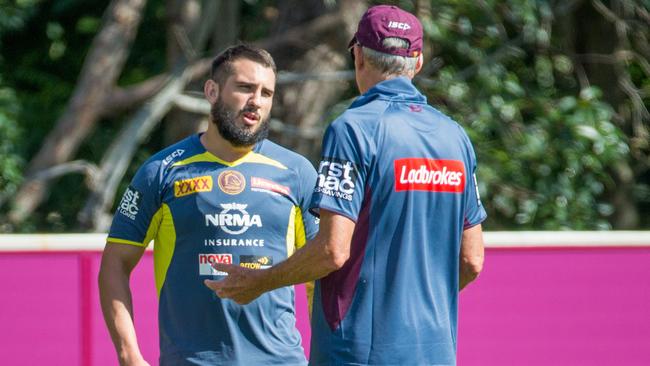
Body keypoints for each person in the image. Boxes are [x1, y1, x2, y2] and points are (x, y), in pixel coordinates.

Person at [206, 5, 486, 366]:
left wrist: (259, 281)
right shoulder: (455, 137)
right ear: (416, 63)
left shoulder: (353, 129)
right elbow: (472, 260)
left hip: (358, 352)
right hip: (435, 351)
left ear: (357, 56)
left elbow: (332, 250)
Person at [98, 44, 319, 366]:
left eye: (266, 93)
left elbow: (319, 275)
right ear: (212, 91)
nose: (256, 101)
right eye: (244, 88)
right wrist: (129, 355)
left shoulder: (297, 173)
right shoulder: (161, 171)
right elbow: (115, 263)